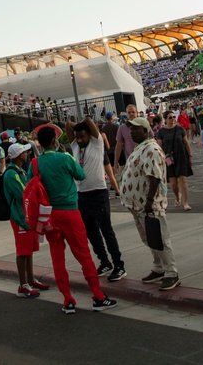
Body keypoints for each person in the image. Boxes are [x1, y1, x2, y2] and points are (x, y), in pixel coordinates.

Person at [29, 125, 117, 314]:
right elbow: (81, 174)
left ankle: (67, 299)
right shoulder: (65, 158)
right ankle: (97, 296)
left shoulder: (35, 164)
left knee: (57, 256)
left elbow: (30, 185)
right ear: (54, 141)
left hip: (49, 215)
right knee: (83, 255)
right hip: (69, 211)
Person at [120, 117, 180, 289]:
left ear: (145, 131)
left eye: (135, 129)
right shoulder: (141, 148)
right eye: (130, 129)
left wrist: (149, 200)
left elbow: (154, 176)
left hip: (148, 204)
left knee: (160, 238)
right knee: (149, 238)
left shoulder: (151, 149)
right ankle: (159, 267)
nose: (131, 132)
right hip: (138, 204)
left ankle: (171, 272)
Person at [68, 117, 126, 283]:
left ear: (90, 135)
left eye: (82, 136)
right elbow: (67, 125)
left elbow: (89, 121)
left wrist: (84, 125)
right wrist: (78, 129)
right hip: (82, 196)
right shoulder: (75, 147)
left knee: (106, 231)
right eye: (77, 137)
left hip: (98, 194)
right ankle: (104, 262)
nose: (79, 140)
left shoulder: (97, 143)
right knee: (91, 232)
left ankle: (119, 265)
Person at [2, 142, 49, 298]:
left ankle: (30, 280)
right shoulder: (11, 174)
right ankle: (23, 285)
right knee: (23, 252)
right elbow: (23, 194)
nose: (26, 154)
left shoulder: (18, 171)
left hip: (25, 217)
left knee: (28, 251)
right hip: (19, 217)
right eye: (24, 152)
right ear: (17, 156)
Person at [155, 110, 193, 211]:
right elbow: (159, 147)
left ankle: (186, 203)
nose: (172, 119)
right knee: (173, 182)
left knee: (183, 180)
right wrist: (161, 159)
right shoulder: (161, 132)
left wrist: (190, 156)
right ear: (165, 119)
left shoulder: (180, 129)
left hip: (181, 156)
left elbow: (186, 143)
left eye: (173, 117)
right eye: (170, 118)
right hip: (168, 158)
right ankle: (177, 196)